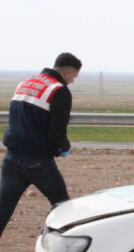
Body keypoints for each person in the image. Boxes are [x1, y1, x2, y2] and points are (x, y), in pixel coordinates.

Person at [0, 53, 81, 240]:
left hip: (12, 157)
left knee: (3, 207)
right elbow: (57, 133)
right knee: (63, 207)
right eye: (74, 77)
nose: (72, 81)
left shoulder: (25, 84)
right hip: (38, 161)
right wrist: (64, 148)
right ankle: (66, 247)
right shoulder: (59, 91)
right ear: (67, 72)